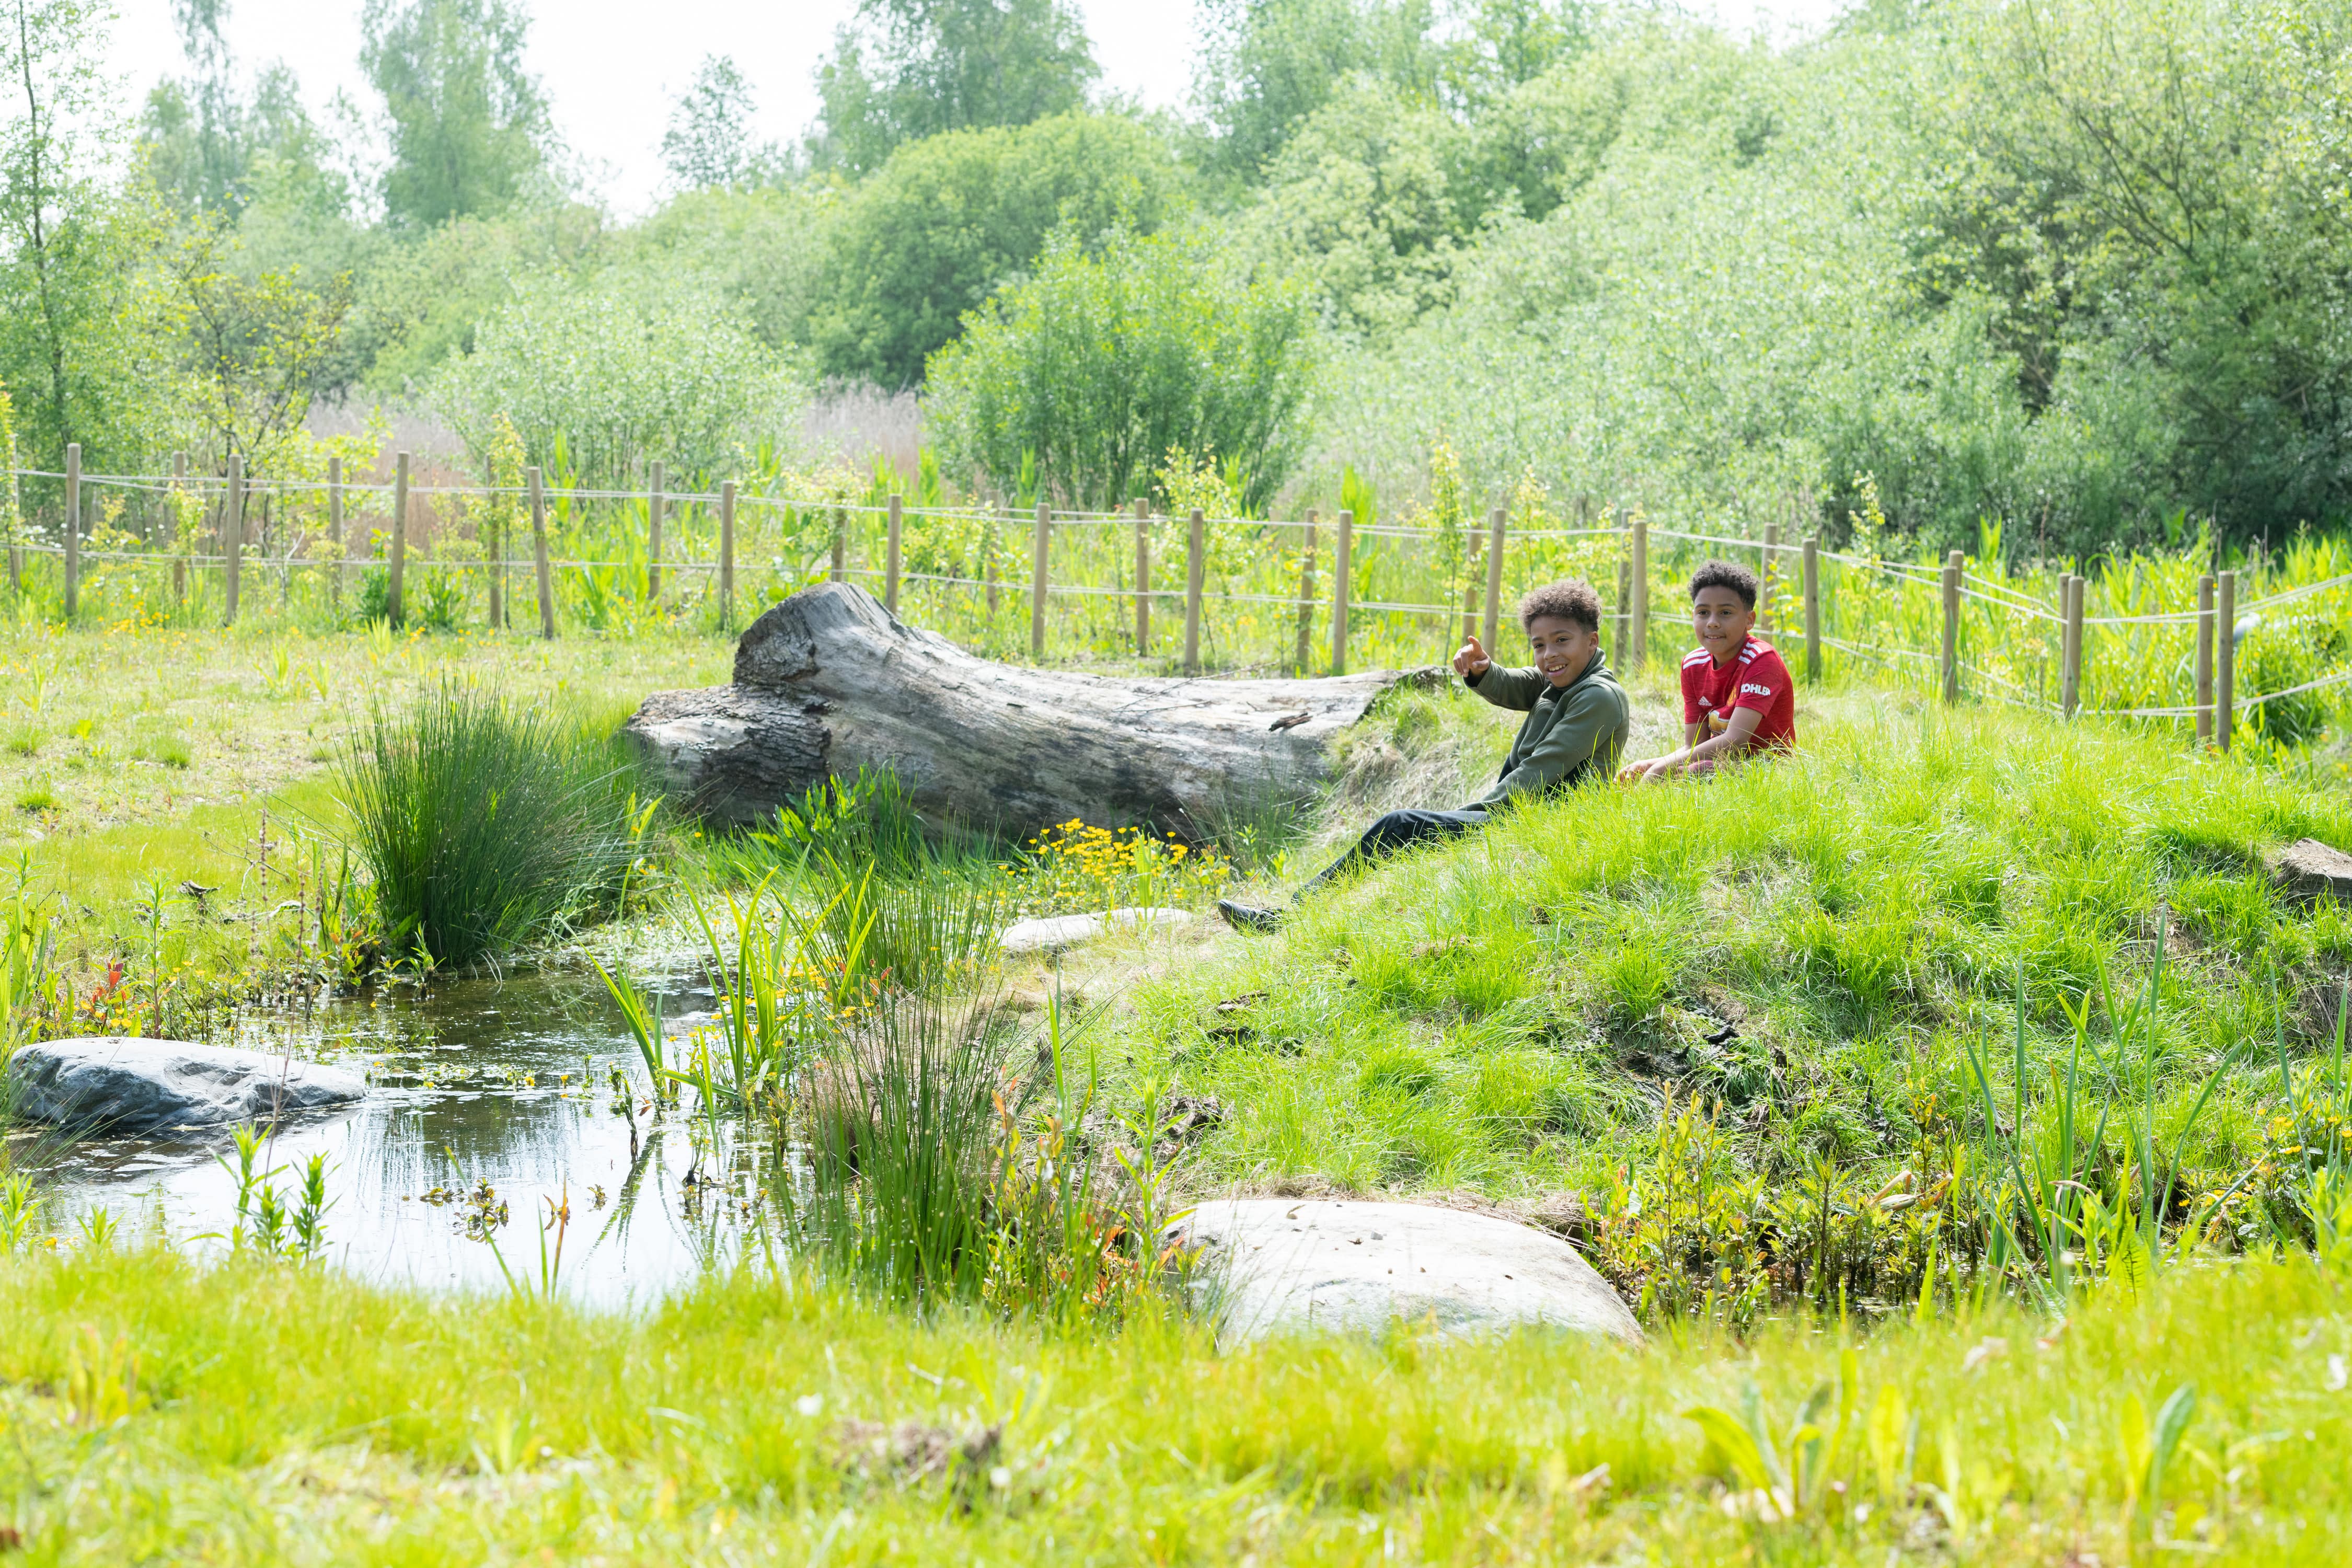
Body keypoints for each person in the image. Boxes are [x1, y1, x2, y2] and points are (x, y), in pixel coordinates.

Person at [1217, 579, 1628, 931]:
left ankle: (1288, 918)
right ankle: (1298, 914)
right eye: (1538, 645)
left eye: (1561, 641)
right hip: (1529, 811)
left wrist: (1472, 815)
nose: (1549, 656)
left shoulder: (1598, 697)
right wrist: (1484, 671)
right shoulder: (1566, 680)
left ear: (1591, 641)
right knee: (1404, 832)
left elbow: (1542, 769)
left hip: (1545, 822)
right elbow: (1524, 684)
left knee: (1399, 826)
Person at [1617, 559, 1795, 785]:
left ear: (1749, 620)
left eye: (1726, 613)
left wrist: (1660, 770)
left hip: (1769, 770)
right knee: (1650, 775)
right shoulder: (1692, 666)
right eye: (1703, 612)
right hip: (1719, 764)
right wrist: (1651, 764)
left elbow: (1735, 741)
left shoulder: (1761, 660)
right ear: (1693, 616)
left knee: (1695, 772)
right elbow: (1694, 747)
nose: (1712, 623)